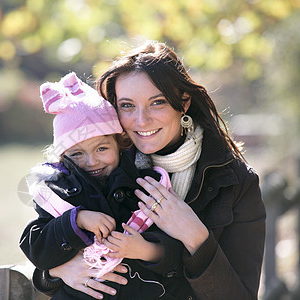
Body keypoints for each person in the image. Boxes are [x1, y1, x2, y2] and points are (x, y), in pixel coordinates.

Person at [32, 41, 266, 300]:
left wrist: (195, 235)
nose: (141, 120)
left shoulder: (235, 182)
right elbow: (45, 241)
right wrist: (57, 272)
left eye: (157, 102)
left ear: (184, 102)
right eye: (128, 105)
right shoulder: (102, 165)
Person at [19, 72, 184, 299]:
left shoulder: (145, 186)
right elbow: (38, 250)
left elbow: (176, 249)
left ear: (120, 144)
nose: (91, 161)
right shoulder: (60, 194)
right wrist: (75, 220)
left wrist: (145, 249)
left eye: (101, 149)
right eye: (77, 153)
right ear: (62, 156)